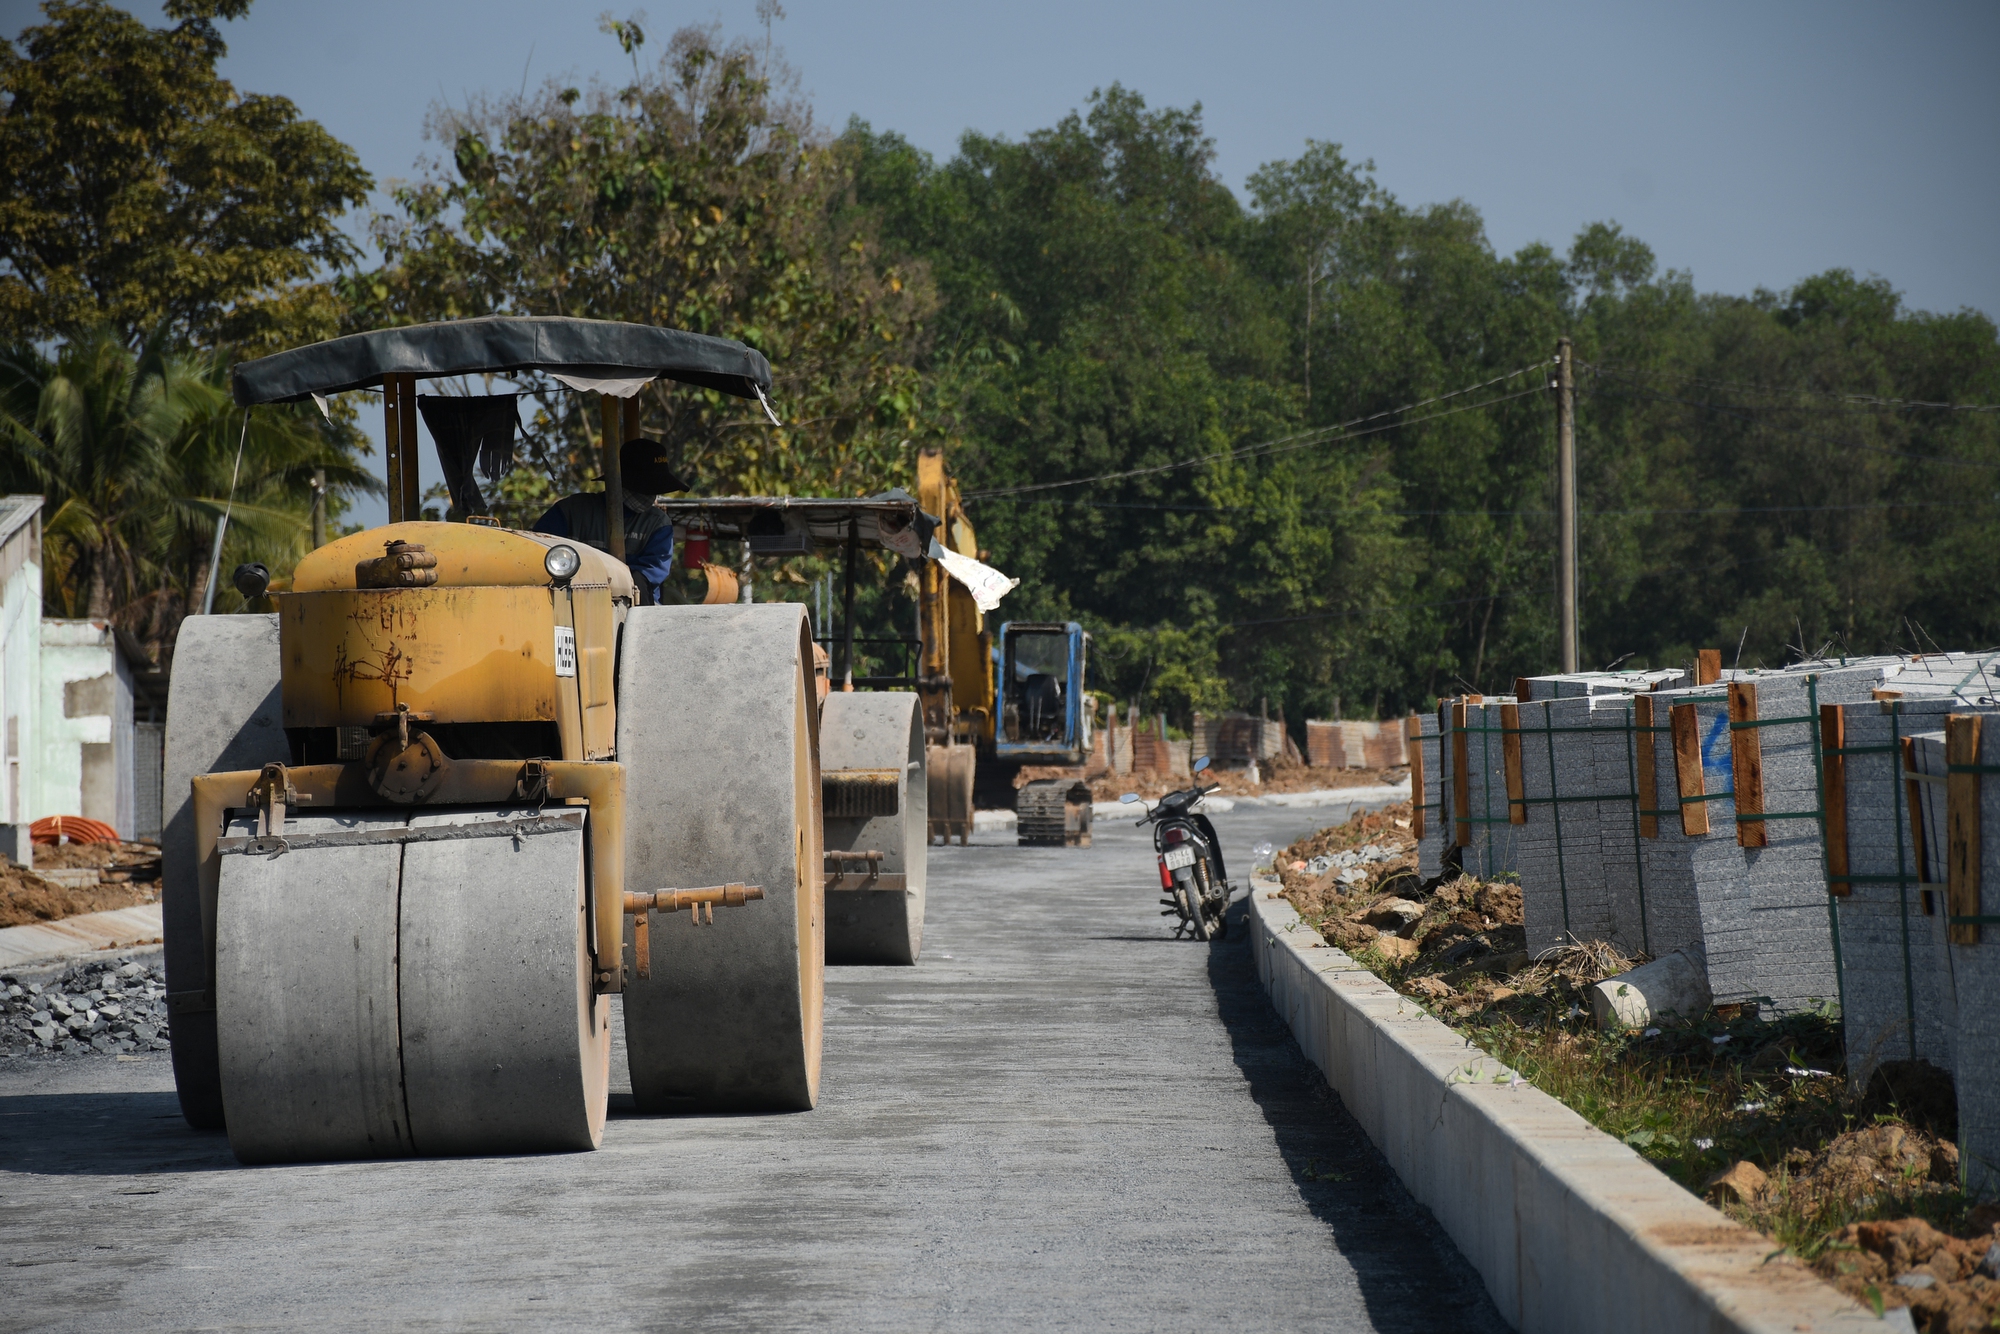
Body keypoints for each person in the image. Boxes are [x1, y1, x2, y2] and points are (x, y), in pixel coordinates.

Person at [533, 438, 688, 603]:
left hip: (636, 611)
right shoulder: (571, 511)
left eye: (656, 489)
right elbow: (536, 553)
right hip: (571, 605)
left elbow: (650, 573)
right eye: (646, 487)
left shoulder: (658, 524)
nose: (650, 495)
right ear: (622, 482)